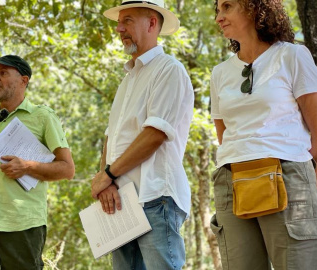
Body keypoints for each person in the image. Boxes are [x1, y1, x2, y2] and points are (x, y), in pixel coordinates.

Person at [210, 0, 317, 269]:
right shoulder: (219, 74)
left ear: (254, 8)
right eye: (218, 9)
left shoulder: (292, 56)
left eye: (227, 6)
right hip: (232, 182)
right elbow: (226, 136)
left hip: (289, 180)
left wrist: (308, 190)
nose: (219, 17)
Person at [91, 1, 194, 269]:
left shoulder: (169, 69)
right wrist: (108, 183)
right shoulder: (127, 80)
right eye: (119, 22)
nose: (119, 28)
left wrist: (108, 175)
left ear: (151, 23)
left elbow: (153, 136)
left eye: (127, 21)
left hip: (155, 197)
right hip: (121, 203)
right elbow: (110, 138)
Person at [0, 55, 75, 270]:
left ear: (24, 80)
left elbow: (67, 169)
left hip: (22, 226)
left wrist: (27, 166)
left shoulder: (43, 117)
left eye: (3, 73)